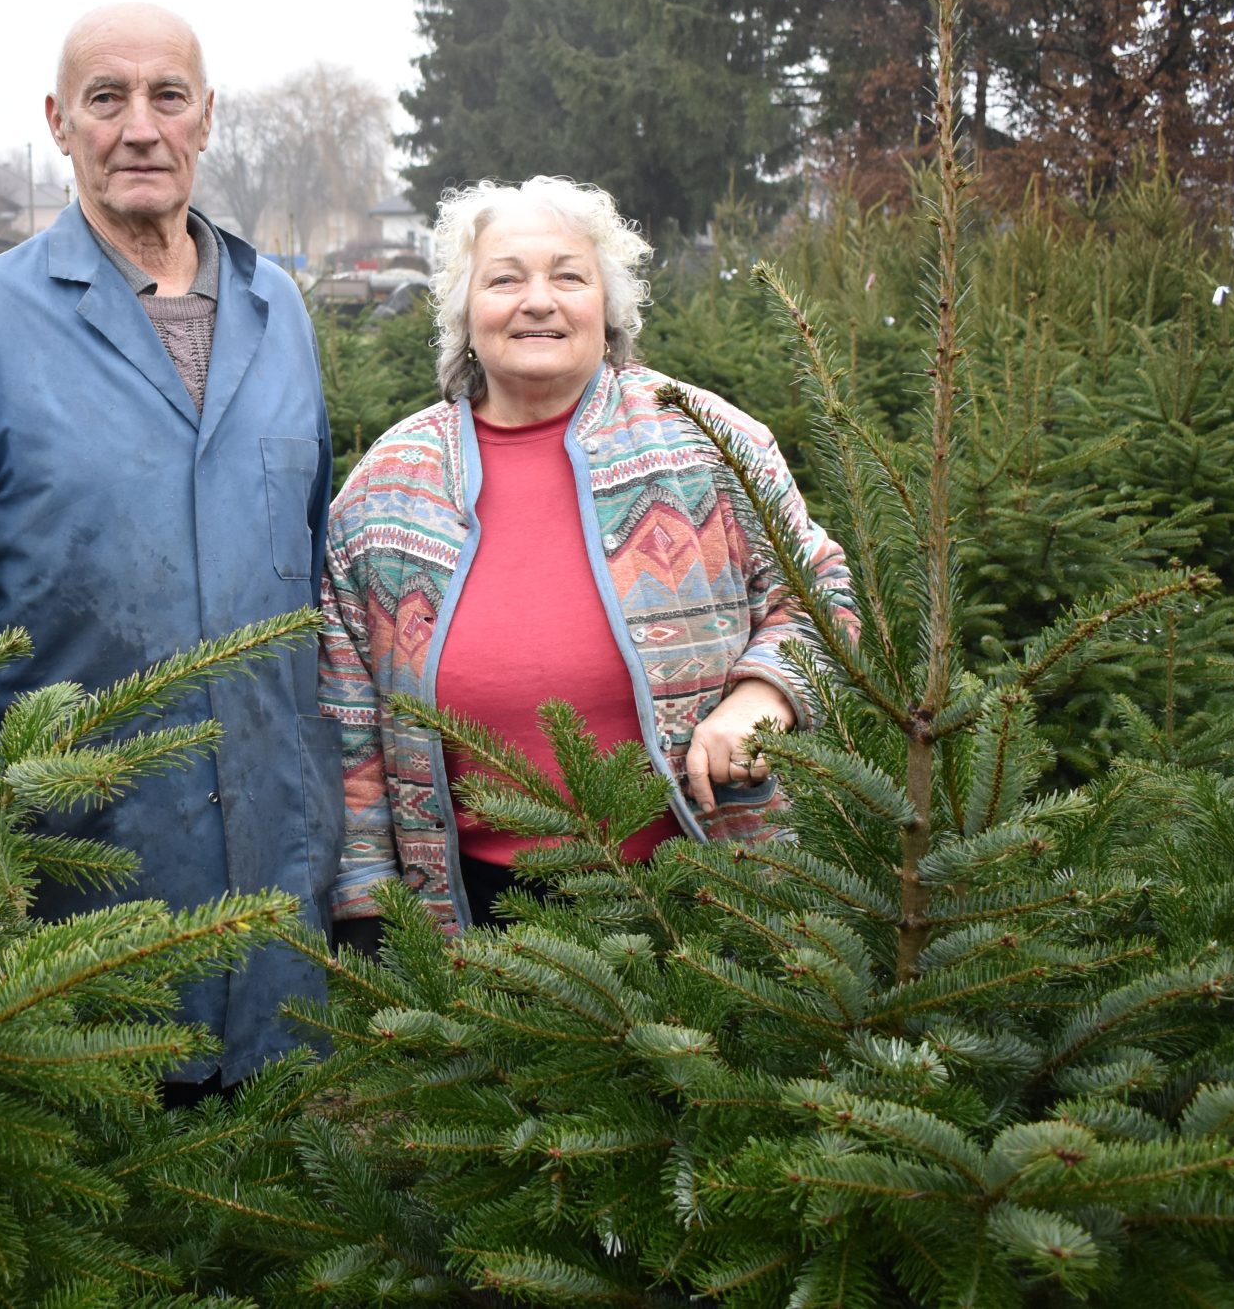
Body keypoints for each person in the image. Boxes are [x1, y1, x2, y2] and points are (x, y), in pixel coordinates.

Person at [0, 2, 340, 1094]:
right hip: (83, 889)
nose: (140, 127)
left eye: (167, 96)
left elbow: (316, 564)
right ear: (59, 121)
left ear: (205, 118)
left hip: (279, 883)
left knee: (283, 1165)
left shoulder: (278, 309)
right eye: (107, 98)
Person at [322, 175, 853, 944]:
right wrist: (369, 907)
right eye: (505, 279)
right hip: (469, 918)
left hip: (709, 894)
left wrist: (762, 697)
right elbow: (348, 716)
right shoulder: (387, 485)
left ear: (608, 307)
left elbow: (824, 592)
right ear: (465, 311)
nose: (538, 301)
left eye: (568, 276)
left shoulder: (707, 440)